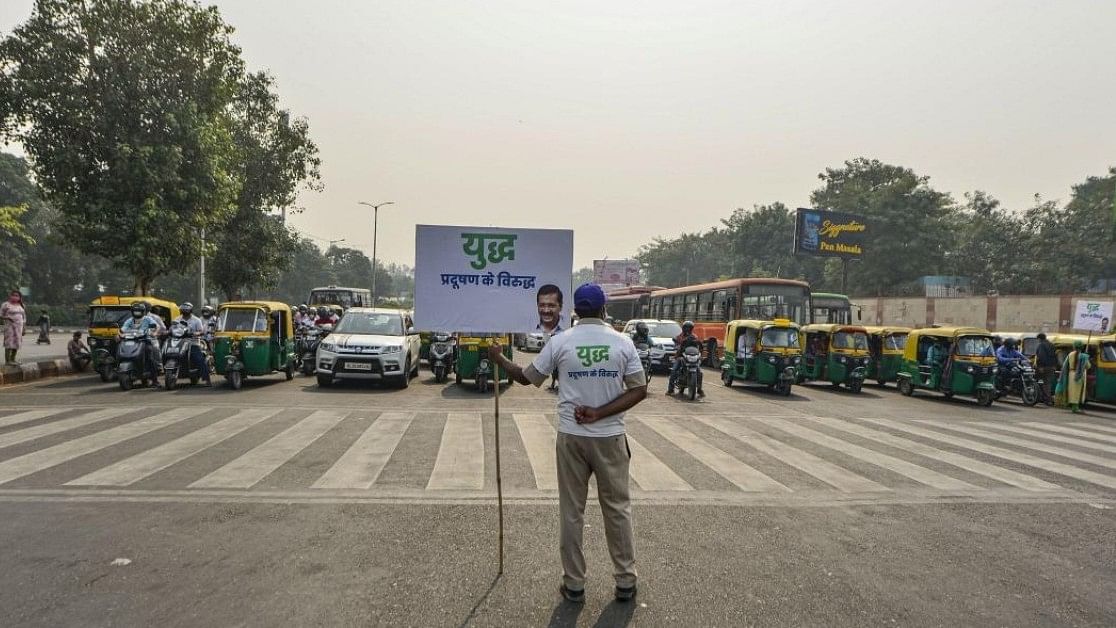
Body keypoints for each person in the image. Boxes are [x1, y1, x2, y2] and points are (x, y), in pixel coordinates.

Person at [486, 283, 646, 604]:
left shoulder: (561, 342)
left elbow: (527, 377)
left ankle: (574, 584)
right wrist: (600, 412)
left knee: (572, 512)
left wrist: (499, 358)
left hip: (572, 437)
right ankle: (625, 582)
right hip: (610, 437)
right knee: (617, 510)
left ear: (574, 310)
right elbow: (639, 390)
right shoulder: (622, 342)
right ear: (603, 311)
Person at [119, 301, 163, 387]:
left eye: (139, 311)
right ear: (132, 312)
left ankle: (155, 381)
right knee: (120, 352)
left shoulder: (148, 319)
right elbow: (123, 329)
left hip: (145, 341)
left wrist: (154, 333)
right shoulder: (129, 320)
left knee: (150, 359)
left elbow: (157, 326)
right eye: (135, 311)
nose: (137, 313)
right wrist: (119, 334)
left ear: (143, 311)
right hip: (130, 341)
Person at [174, 302, 212, 386]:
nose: (185, 312)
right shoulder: (177, 319)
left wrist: (196, 333)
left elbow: (201, 331)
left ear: (190, 311)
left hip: (192, 342)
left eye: (186, 311)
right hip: (179, 342)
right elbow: (172, 328)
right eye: (183, 310)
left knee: (199, 358)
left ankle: (207, 380)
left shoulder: (196, 320)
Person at [668, 320, 704, 396]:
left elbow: (699, 346)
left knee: (700, 372)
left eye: (689, 328)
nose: (687, 329)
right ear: (683, 328)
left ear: (691, 328)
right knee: (674, 370)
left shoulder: (694, 337)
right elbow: (676, 342)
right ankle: (670, 390)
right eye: (686, 327)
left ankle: (699, 389)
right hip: (681, 356)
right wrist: (677, 347)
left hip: (692, 357)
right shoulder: (680, 336)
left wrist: (700, 354)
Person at [1055, 340, 1091, 413]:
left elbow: (1065, 365)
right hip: (1079, 376)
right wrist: (1086, 358)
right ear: (1081, 347)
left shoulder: (1070, 354)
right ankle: (1075, 407)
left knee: (1071, 391)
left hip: (1070, 375)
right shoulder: (1083, 356)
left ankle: (1071, 405)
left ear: (1074, 346)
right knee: (1077, 392)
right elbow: (1088, 366)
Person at [1, 290, 27, 365]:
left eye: (17, 296)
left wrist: (24, 328)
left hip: (19, 327)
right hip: (9, 326)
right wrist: (7, 318)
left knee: (17, 342)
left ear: (19, 297)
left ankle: (13, 359)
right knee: (9, 342)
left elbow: (24, 317)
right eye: (14, 295)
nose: (15, 297)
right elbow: (1, 315)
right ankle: (8, 361)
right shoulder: (6, 304)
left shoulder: (21, 305)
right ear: (10, 296)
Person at [1034, 333, 1058, 405]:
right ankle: (1047, 398)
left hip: (1043, 367)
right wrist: (1054, 365)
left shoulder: (1041, 345)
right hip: (1052, 367)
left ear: (1039, 339)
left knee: (1037, 381)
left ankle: (1046, 399)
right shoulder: (1051, 345)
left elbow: (1041, 356)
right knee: (1048, 383)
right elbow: (1055, 356)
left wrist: (1040, 366)